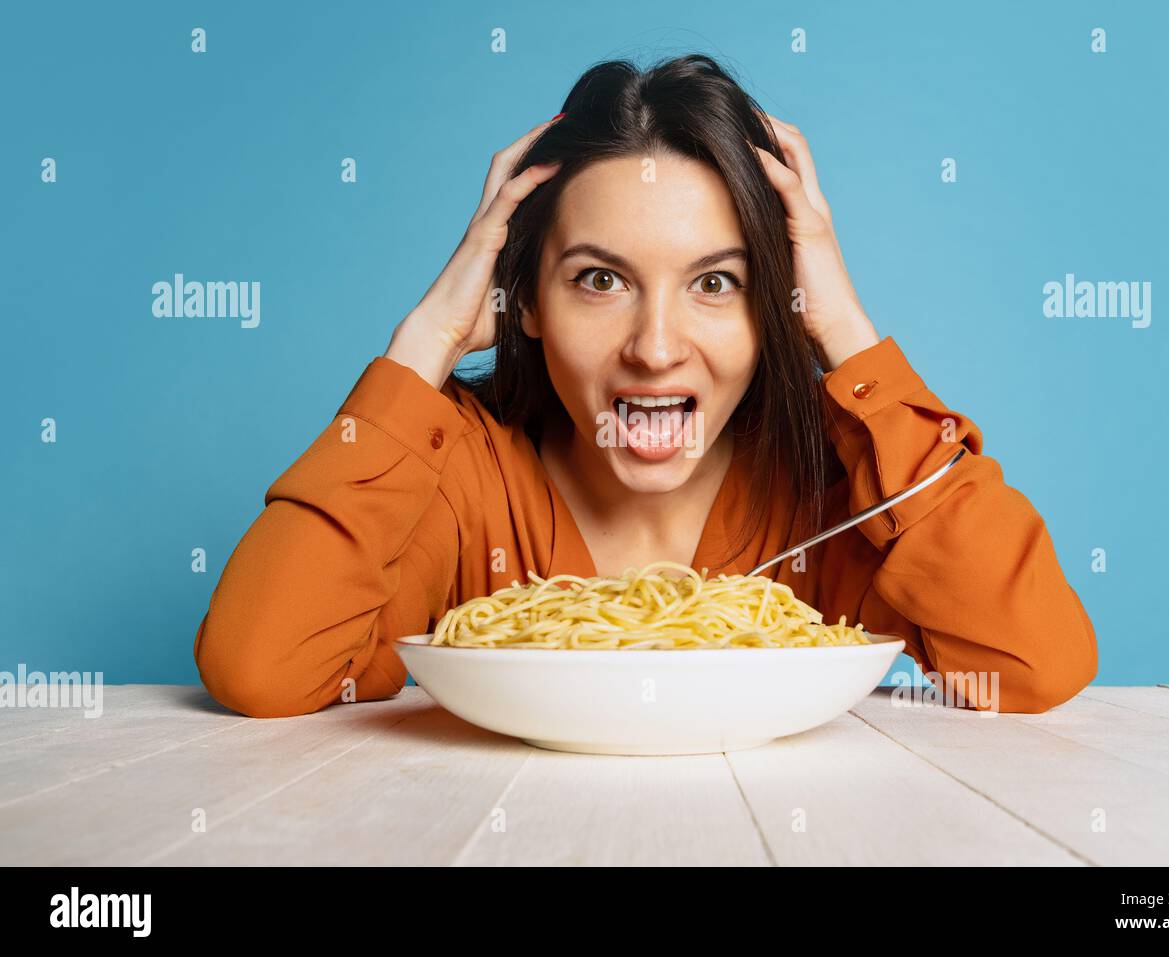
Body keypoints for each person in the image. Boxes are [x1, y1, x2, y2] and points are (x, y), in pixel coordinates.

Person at [194, 54, 1097, 718]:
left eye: (717, 283)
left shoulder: (838, 494)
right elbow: (260, 667)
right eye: (599, 279)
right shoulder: (461, 477)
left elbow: (1035, 662)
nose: (656, 348)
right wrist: (424, 341)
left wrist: (846, 333)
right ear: (526, 303)